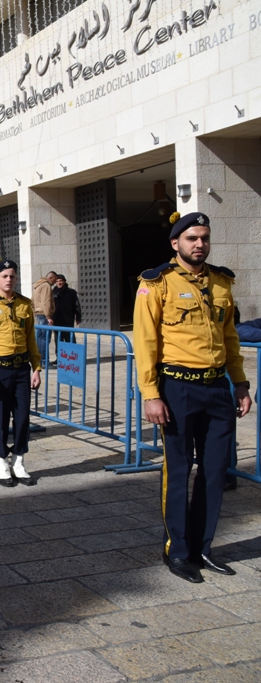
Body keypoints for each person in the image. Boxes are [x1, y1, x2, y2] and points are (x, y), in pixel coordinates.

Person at [133, 211, 251, 583]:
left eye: (204, 238)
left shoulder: (221, 282)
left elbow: (230, 337)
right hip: (177, 388)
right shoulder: (156, 283)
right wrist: (151, 395)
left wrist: (241, 383)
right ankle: (178, 551)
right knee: (179, 470)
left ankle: (202, 547)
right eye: (191, 238)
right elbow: (146, 342)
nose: (199, 244)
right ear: (175, 244)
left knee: (215, 471)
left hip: (217, 387)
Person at [0, 259, 42, 487]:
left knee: (23, 416)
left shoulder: (25, 304)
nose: (9, 280)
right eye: (4, 276)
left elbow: (31, 339)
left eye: (12, 276)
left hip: (22, 368)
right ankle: (1, 462)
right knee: (0, 418)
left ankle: (19, 460)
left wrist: (37, 368)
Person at [51, 274, 82, 366]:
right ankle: (59, 358)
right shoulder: (53, 292)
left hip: (68, 319)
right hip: (57, 320)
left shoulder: (71, 292)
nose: (59, 283)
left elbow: (76, 305)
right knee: (58, 340)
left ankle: (74, 357)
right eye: (57, 281)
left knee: (70, 339)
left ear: (64, 282)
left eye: (60, 281)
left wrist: (78, 317)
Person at [32, 271, 57, 364]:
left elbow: (32, 301)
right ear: (51, 278)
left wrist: (35, 311)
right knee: (45, 338)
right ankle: (44, 361)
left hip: (39, 314)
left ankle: (39, 360)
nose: (55, 283)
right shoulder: (46, 286)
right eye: (55, 280)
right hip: (44, 315)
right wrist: (48, 316)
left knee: (40, 338)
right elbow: (46, 302)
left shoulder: (37, 285)